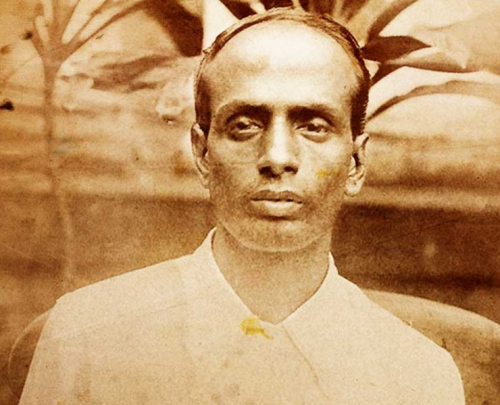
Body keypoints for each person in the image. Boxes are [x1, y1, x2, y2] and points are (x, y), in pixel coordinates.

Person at [20, 8, 465, 404]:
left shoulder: (416, 374)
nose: (277, 157)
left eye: (313, 126)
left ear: (355, 162)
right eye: (245, 125)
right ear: (202, 153)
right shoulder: (86, 339)